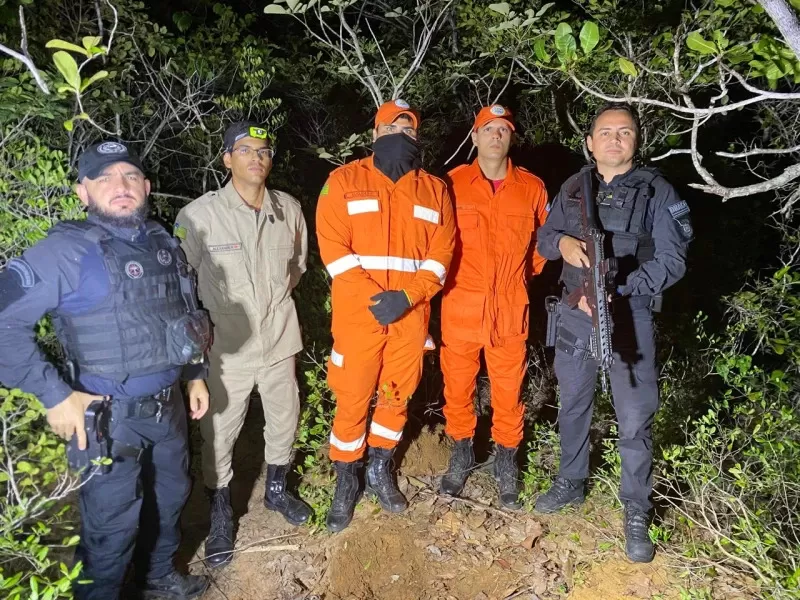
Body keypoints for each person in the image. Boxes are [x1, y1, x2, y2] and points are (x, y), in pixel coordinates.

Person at [0, 141, 210, 599]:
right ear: (83, 192)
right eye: (104, 178)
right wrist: (52, 392)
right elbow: (4, 323)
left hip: (168, 408)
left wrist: (195, 372)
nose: (121, 186)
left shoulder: (162, 241)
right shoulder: (65, 251)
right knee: (111, 529)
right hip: (108, 417)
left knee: (170, 500)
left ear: (147, 186)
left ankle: (158, 578)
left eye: (131, 176)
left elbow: (187, 313)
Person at [535, 103, 693, 562]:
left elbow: (672, 260)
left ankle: (636, 509)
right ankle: (571, 480)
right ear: (590, 142)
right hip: (573, 313)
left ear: (636, 141)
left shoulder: (658, 192)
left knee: (635, 416)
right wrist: (563, 242)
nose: (614, 139)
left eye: (624, 132)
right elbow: (545, 239)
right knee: (573, 403)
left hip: (630, 315)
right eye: (605, 132)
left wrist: (620, 288)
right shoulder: (570, 188)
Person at [175, 122, 311, 567]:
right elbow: (182, 281)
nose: (257, 157)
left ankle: (276, 489)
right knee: (218, 432)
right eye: (246, 150)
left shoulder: (288, 208)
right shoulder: (199, 215)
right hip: (226, 346)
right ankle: (219, 511)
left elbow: (297, 267)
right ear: (226, 159)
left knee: (284, 418)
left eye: (265, 150)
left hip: (279, 339)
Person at [316, 99, 455, 532]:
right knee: (353, 397)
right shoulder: (342, 181)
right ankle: (346, 478)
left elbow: (441, 255)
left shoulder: (435, 189)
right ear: (374, 135)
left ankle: (379, 467)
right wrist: (378, 298)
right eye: (392, 129)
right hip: (360, 316)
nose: (401, 136)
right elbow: (333, 250)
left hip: (410, 317)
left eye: (409, 131)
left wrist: (408, 297)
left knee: (397, 395)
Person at [439, 105, 549, 509]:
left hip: (509, 309)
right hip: (461, 306)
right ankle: (461, 453)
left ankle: (506, 461)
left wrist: (517, 281)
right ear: (474, 136)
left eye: (504, 129)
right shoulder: (451, 185)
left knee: (508, 390)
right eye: (488, 128)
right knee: (458, 388)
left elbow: (541, 249)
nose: (496, 135)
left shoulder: (533, 187)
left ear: (512, 138)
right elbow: (438, 245)